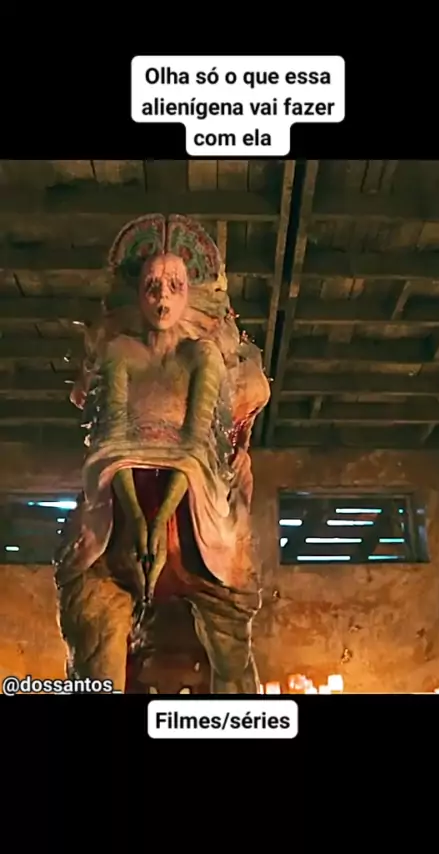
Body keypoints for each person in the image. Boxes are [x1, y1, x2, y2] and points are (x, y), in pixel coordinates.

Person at [54, 214, 270, 693]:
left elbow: (197, 445)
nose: (162, 297)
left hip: (192, 495)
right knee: (87, 603)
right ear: (138, 294)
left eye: (174, 286)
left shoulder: (202, 354)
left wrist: (159, 521)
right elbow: (111, 440)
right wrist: (136, 514)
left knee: (232, 638)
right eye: (152, 286)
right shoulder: (119, 351)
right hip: (121, 492)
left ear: (189, 294)